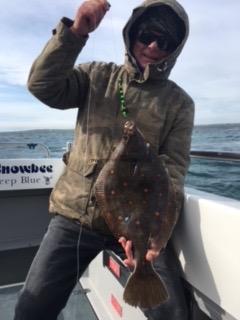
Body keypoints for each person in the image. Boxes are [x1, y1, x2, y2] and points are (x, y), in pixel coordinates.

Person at [14, 0, 194, 319]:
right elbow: (42, 85)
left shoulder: (179, 104)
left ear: (175, 50)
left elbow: (174, 171)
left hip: (136, 226)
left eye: (164, 42)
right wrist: (75, 33)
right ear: (133, 34)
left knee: (172, 313)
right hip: (75, 216)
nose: (153, 46)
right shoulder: (96, 76)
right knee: (32, 307)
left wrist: (156, 237)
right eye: (147, 36)